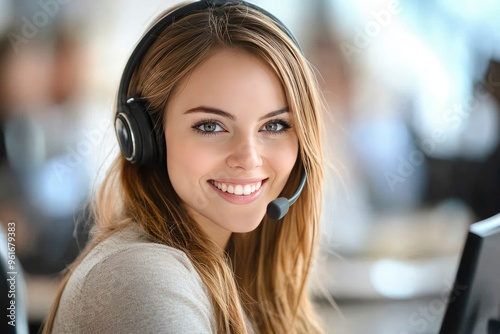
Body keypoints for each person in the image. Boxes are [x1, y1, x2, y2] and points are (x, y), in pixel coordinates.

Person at [42, 1, 326, 333]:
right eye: (210, 126)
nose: (249, 158)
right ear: (147, 136)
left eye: (275, 126)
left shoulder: (235, 270)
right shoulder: (143, 278)